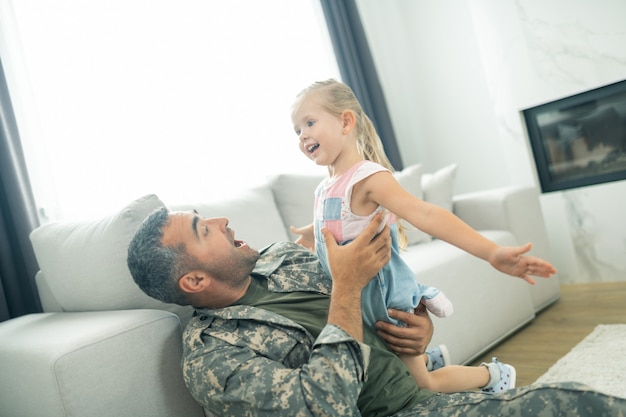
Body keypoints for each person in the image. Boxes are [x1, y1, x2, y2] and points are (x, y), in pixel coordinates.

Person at [127, 208, 626, 417]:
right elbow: (324, 406)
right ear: (193, 281)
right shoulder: (212, 358)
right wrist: (346, 286)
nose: (220, 219)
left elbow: (380, 294)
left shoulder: (286, 257)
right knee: (574, 406)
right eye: (202, 228)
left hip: (417, 381)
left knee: (576, 401)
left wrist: (418, 327)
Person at [289, 79, 553, 393]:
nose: (303, 135)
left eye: (309, 123)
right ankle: (431, 359)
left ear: (346, 122)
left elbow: (426, 214)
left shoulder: (368, 177)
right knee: (388, 376)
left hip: (388, 303)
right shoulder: (324, 187)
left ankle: (493, 375)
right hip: (357, 303)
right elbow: (340, 223)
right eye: (296, 130)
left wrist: (491, 252)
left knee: (421, 386)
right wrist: (312, 233)